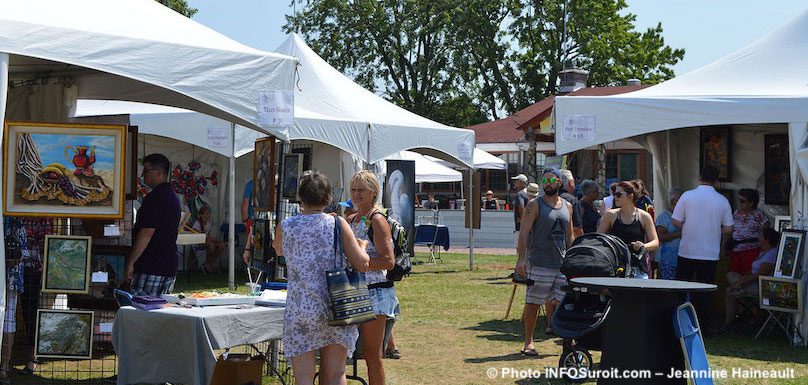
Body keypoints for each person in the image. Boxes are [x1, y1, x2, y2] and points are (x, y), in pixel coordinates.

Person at [273, 171, 371, 385]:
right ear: (328, 198)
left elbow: (279, 251)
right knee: (336, 375)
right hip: (334, 305)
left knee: (303, 378)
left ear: (301, 197)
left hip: (300, 309)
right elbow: (362, 264)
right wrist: (362, 245)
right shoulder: (337, 224)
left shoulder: (286, 226)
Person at [516, 168, 574, 356]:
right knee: (533, 303)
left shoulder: (568, 206)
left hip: (561, 264)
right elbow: (524, 233)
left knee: (562, 302)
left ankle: (567, 341)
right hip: (539, 261)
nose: (547, 183)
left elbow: (570, 235)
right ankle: (528, 343)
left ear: (559, 182)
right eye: (544, 180)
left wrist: (572, 260)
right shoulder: (534, 205)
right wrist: (521, 260)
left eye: (551, 179)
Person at [347, 170, 397, 385]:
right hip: (354, 291)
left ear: (373, 192)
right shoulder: (351, 218)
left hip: (375, 293)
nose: (356, 194)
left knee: (371, 354)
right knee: (346, 349)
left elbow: (388, 260)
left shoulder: (377, 220)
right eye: (354, 189)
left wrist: (363, 262)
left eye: (361, 190)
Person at [672, 166, 734, 329]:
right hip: (709, 253)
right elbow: (728, 228)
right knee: (704, 291)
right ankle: (702, 325)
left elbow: (676, 221)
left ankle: (677, 323)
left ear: (699, 177)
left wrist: (688, 225)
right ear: (716, 181)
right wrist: (714, 228)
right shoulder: (722, 200)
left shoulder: (687, 196)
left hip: (687, 251)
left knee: (680, 288)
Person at [125, 153, 181, 296]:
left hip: (152, 264)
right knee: (160, 312)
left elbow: (147, 233)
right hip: (167, 264)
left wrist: (131, 262)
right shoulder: (171, 195)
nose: (143, 175)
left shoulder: (156, 197)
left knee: (142, 311)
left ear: (158, 172)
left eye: (145, 171)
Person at [720, 228, 779, 332]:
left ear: (767, 240)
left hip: (761, 286)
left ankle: (728, 322)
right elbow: (751, 272)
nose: (758, 238)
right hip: (753, 282)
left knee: (729, 291)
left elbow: (759, 274)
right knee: (730, 274)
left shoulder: (772, 254)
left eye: (761, 236)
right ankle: (739, 293)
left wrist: (740, 283)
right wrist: (742, 280)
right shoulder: (763, 251)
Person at [597, 181, 660, 278]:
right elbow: (598, 238)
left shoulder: (644, 216)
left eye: (618, 194)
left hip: (637, 266)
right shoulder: (610, 215)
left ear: (630, 196)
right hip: (615, 265)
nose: (615, 197)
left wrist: (644, 246)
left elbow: (655, 242)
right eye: (614, 194)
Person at [728, 189, 769, 275]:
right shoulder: (736, 213)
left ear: (751, 203)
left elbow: (765, 232)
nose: (740, 203)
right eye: (739, 200)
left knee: (747, 273)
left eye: (743, 201)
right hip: (735, 249)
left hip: (751, 250)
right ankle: (737, 288)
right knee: (733, 272)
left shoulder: (759, 214)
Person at [655, 188, 684, 280]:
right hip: (668, 260)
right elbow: (660, 236)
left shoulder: (684, 215)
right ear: (673, 201)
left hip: (683, 259)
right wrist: (679, 234)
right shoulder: (664, 217)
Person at [192, 205, 225, 274]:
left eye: (208, 213)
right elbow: (196, 237)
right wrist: (208, 239)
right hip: (198, 243)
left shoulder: (208, 224)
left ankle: (209, 263)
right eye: (206, 213)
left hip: (206, 241)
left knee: (222, 245)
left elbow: (208, 236)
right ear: (201, 215)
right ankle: (207, 265)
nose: (208, 215)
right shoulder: (197, 224)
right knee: (211, 246)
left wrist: (214, 240)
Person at [560, 169, 584, 237]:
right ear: (570, 183)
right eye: (573, 181)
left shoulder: (548, 199)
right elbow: (577, 229)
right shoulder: (572, 201)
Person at [510, 174, 530, 248]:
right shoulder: (529, 193)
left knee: (520, 247)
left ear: (521, 183)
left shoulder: (520, 194)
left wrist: (522, 219)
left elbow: (521, 206)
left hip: (521, 226)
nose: (515, 183)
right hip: (530, 224)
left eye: (516, 181)